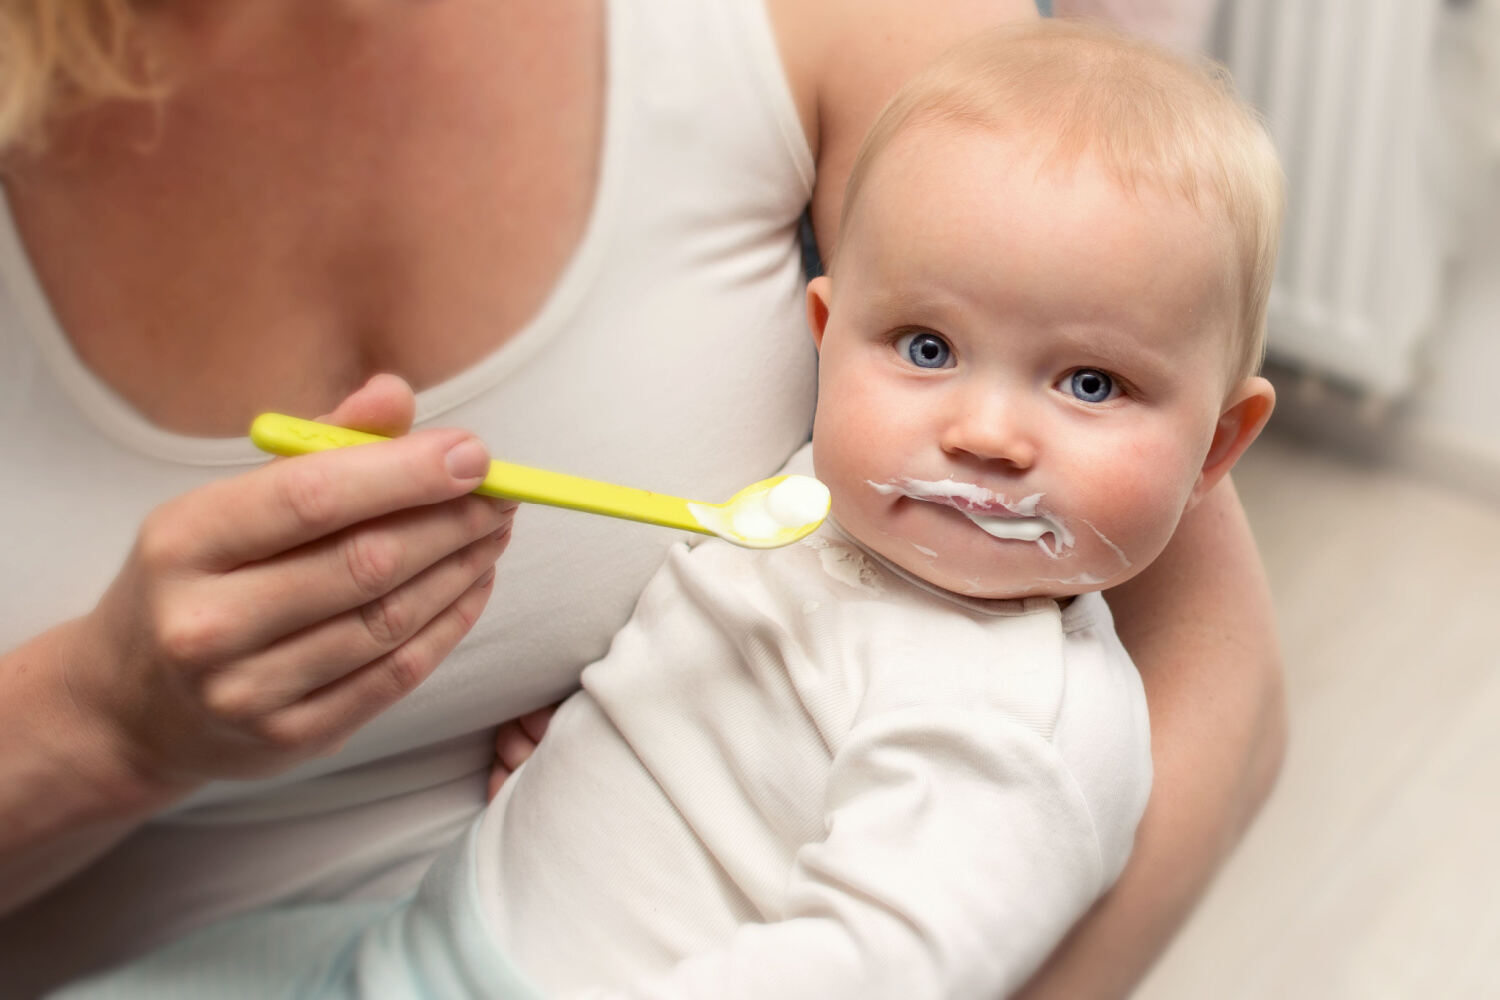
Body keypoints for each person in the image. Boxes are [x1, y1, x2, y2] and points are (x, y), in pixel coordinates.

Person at [0, 2, 1285, 997]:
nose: (991, 434)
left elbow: (874, 963)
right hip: (403, 930)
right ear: (824, 327)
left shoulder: (1018, 732)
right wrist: (104, 723)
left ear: (1221, 444)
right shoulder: (813, 511)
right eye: (930, 353)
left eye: (1092, 384)